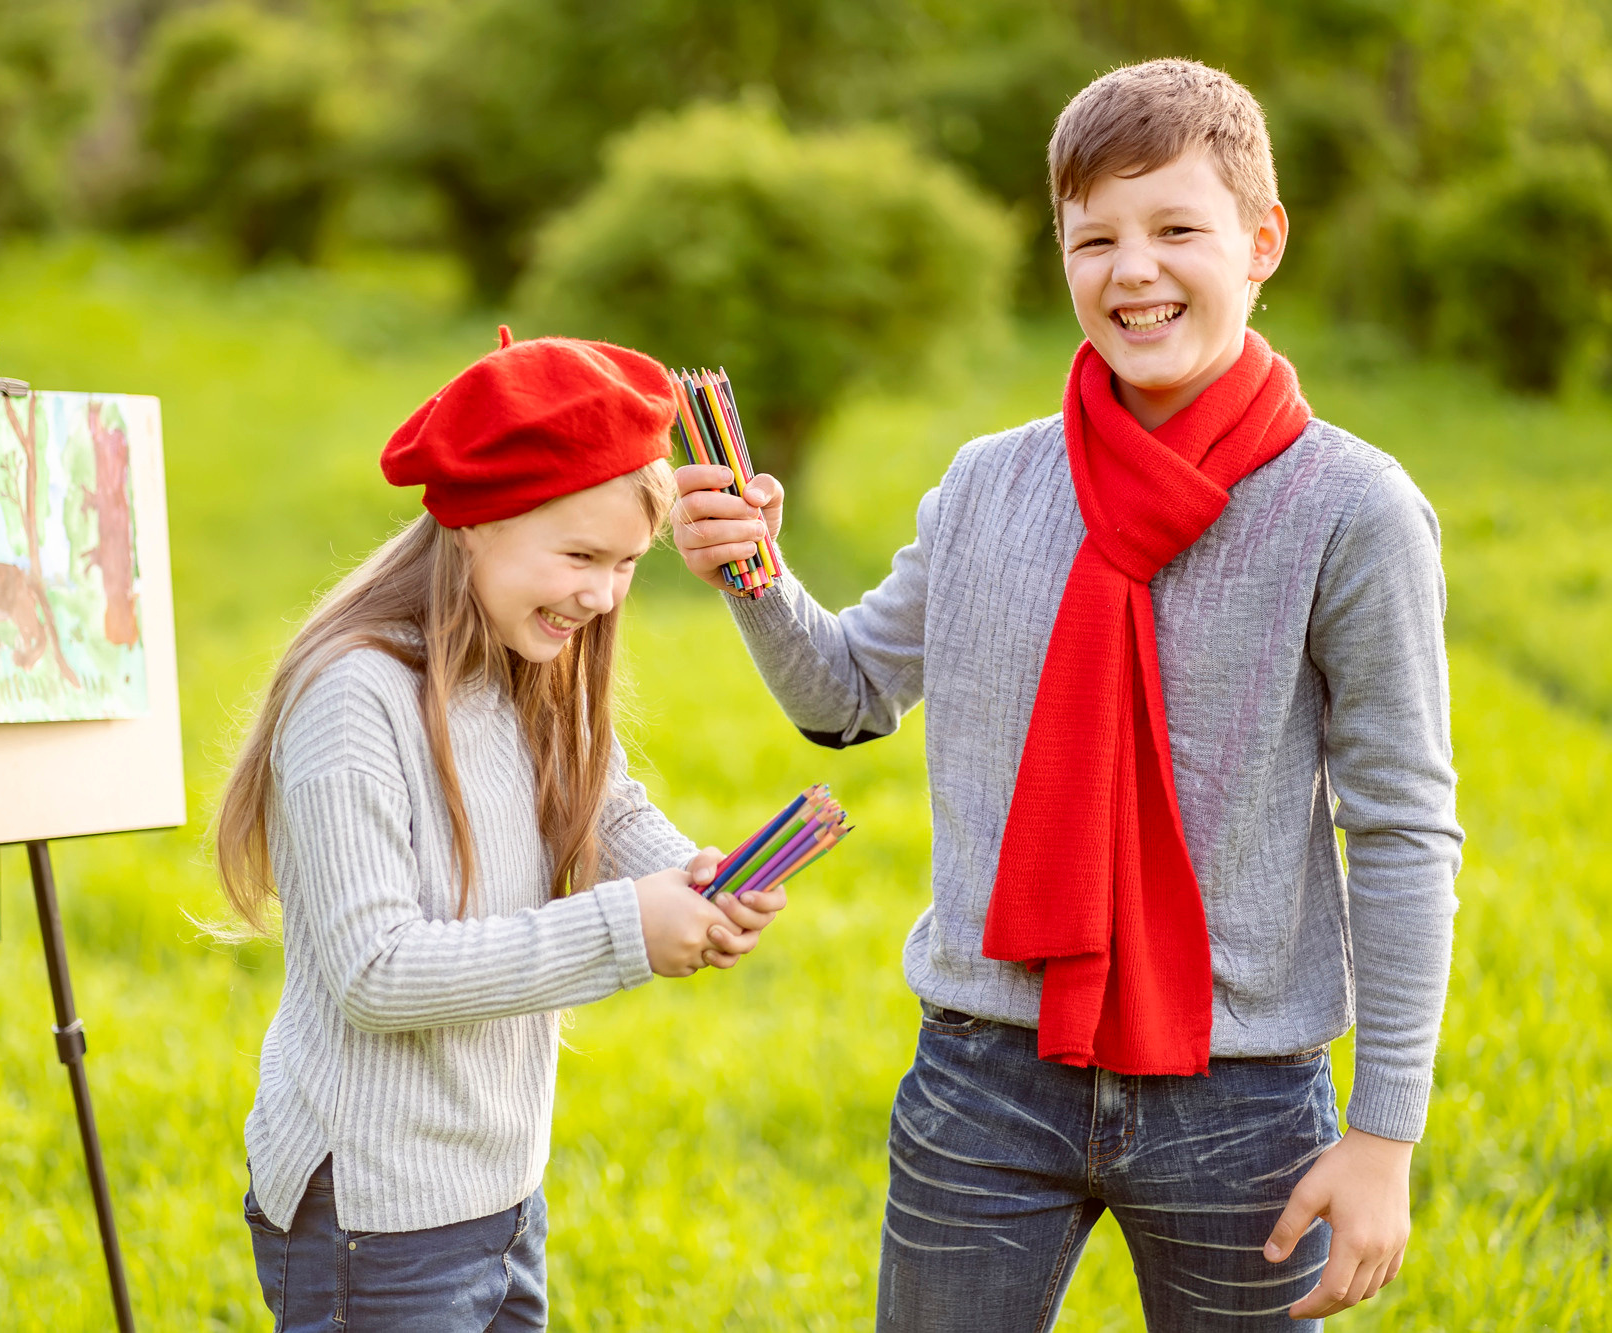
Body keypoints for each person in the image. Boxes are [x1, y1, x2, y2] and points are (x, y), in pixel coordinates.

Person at [671, 59, 1460, 1331]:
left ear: (1260, 241)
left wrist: (1384, 1133)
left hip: (1241, 1093)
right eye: (1094, 239)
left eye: (1175, 230)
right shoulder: (987, 484)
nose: (1131, 270)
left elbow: (1400, 825)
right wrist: (750, 573)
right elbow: (847, 695)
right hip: (982, 1074)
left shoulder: (1350, 510)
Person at [212, 327, 787, 1331]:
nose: (601, 594)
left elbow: (598, 803)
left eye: (625, 563)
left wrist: (691, 877)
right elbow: (374, 971)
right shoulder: (354, 698)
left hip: (501, 1188)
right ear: (476, 523)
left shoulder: (528, 658)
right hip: (375, 1216)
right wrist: (627, 928)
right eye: (579, 556)